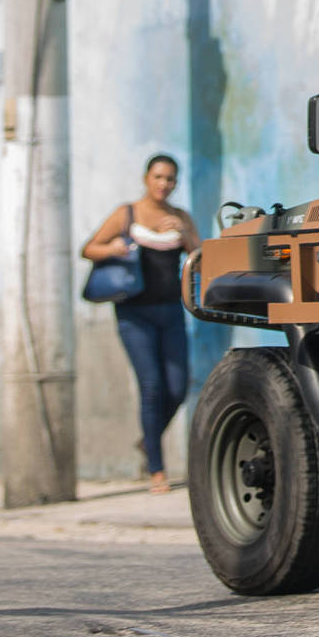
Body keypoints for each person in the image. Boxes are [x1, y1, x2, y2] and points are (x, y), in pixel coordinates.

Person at [81, 154, 200, 492]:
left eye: (170, 179)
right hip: (134, 314)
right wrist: (117, 247)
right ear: (146, 178)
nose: (164, 184)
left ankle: (148, 441)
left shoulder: (180, 217)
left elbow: (199, 258)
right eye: (158, 177)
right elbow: (89, 248)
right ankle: (157, 470)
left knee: (177, 388)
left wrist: (183, 233)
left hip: (171, 311)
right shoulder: (127, 213)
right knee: (152, 387)